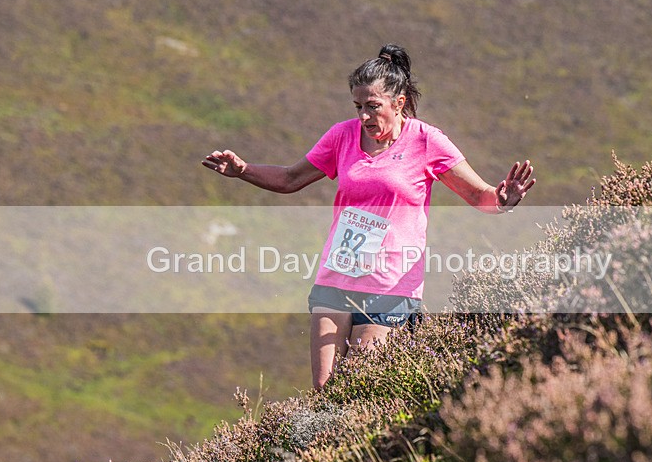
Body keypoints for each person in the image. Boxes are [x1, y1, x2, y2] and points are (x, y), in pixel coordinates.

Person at [202, 44, 535, 389]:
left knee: (359, 389)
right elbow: (290, 179)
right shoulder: (341, 136)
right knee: (324, 391)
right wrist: (243, 170)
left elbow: (479, 196)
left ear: (399, 102)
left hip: (390, 285)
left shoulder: (426, 141)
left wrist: (503, 199)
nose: (363, 116)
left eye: (373, 107)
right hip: (337, 276)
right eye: (358, 107)